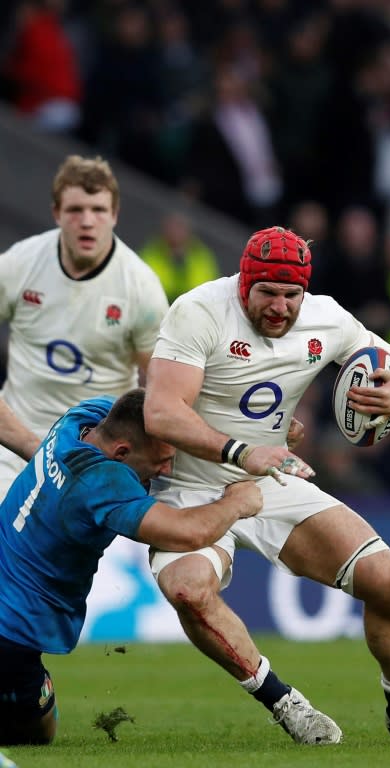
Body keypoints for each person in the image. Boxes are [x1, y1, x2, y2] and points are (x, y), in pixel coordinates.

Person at [143, 225, 390, 746]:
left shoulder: (327, 317)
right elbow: (161, 411)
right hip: (191, 485)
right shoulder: (199, 310)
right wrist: (244, 450)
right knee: (188, 590)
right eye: (267, 292)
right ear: (244, 282)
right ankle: (286, 703)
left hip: (270, 479)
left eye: (291, 296)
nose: (280, 308)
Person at [0, 388, 262, 746]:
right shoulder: (104, 483)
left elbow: (169, 412)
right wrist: (237, 502)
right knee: (35, 735)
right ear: (121, 453)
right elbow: (187, 533)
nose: (168, 469)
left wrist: (263, 437)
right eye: (162, 460)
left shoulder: (82, 418)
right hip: (11, 633)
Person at [0, 153, 169, 500]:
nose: (87, 221)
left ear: (115, 215)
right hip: (16, 440)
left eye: (98, 210)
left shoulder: (141, 288)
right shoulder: (19, 263)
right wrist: (37, 451)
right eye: (76, 210)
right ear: (57, 214)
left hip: (95, 453)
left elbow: (164, 389)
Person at [139, 211, 220, 305]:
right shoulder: (151, 251)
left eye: (180, 226)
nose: (176, 232)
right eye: (172, 226)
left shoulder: (202, 257)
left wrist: (182, 266)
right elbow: (145, 286)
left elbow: (206, 292)